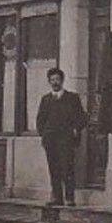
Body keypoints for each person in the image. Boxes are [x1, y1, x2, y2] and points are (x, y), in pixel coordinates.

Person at [34, 67, 86, 207]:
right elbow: (40, 119)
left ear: (62, 80)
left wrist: (75, 130)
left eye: (57, 79)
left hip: (66, 139)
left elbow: (82, 117)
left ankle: (69, 198)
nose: (55, 82)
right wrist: (43, 134)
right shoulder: (46, 99)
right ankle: (57, 197)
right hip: (50, 140)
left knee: (67, 168)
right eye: (52, 80)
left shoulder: (72, 98)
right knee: (54, 169)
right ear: (49, 82)